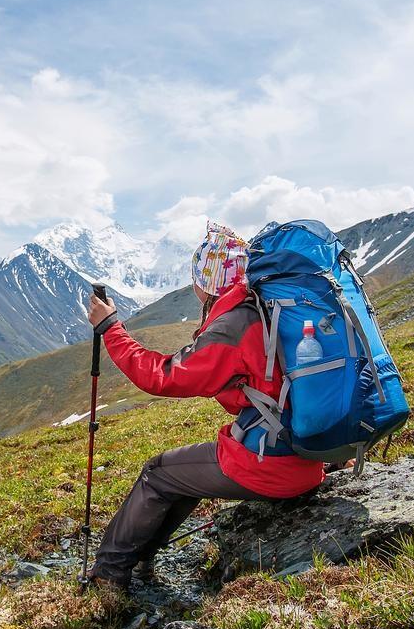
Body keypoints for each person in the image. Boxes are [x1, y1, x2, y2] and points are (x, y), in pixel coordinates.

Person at [84, 222, 326, 590]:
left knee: (158, 473)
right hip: (308, 455)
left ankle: (109, 575)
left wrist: (110, 328)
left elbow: (163, 377)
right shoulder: (267, 308)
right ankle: (140, 561)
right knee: (182, 474)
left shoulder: (234, 324)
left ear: (207, 281)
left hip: (272, 465)